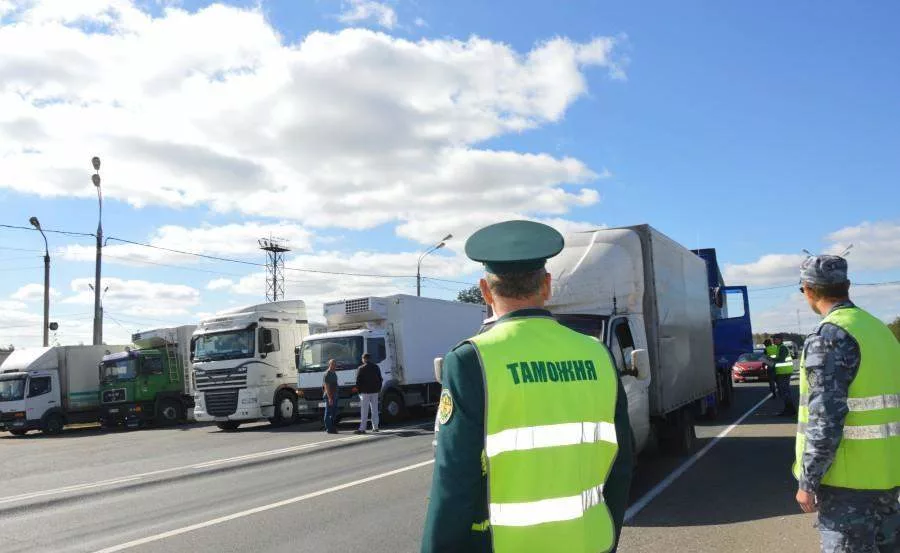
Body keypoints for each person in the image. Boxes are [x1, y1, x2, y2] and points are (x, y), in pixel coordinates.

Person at [421, 220, 633, 553]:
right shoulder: (598, 354)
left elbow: (455, 482)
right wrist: (606, 537)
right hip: (591, 542)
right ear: (547, 286)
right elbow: (621, 462)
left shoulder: (471, 361)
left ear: (485, 290)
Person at [793, 254, 900, 552]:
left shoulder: (830, 335)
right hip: (888, 475)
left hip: (848, 484)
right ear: (847, 285)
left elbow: (826, 417)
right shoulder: (879, 331)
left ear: (808, 290)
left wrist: (808, 480)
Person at [355, 353, 383, 434]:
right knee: (375, 410)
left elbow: (358, 381)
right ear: (370, 358)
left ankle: (362, 428)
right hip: (375, 391)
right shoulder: (376, 367)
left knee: (364, 411)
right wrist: (378, 389)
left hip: (365, 392)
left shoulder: (361, 368)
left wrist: (359, 391)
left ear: (364, 359)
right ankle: (376, 427)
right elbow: (380, 379)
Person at [772, 334, 796, 416]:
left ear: (780, 340)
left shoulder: (782, 348)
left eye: (775, 339)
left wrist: (770, 360)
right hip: (783, 372)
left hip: (784, 373)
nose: (773, 340)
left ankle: (790, 410)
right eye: (773, 339)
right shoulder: (779, 347)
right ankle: (790, 410)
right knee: (784, 392)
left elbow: (781, 359)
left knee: (784, 392)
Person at [323, 359, 339, 434]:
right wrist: (330, 398)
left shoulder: (334, 373)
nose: (335, 366)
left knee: (334, 412)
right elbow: (327, 386)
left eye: (335, 364)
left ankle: (333, 427)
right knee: (328, 412)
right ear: (330, 365)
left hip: (335, 395)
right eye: (333, 364)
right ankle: (329, 428)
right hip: (330, 395)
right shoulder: (327, 373)